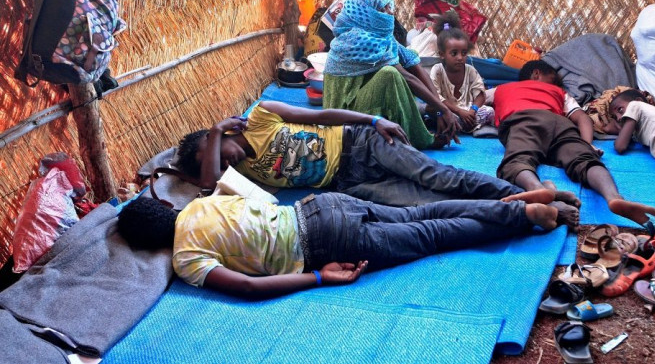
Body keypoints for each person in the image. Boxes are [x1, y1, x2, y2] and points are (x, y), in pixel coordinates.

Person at [117, 192, 578, 299]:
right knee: (423, 212)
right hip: (318, 208)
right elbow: (262, 203)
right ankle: (510, 205)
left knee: (431, 235)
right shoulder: (200, 204)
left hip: (323, 241)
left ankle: (521, 219)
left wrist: (319, 276)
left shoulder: (185, 259)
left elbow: (246, 287)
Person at [175, 100, 580, 210]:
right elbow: (210, 183)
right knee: (430, 203)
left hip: (361, 144)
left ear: (229, 130)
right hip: (351, 183)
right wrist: (213, 136)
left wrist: (373, 121)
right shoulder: (241, 175)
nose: (225, 162)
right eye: (217, 159)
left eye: (220, 151)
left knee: (441, 177)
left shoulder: (261, 115)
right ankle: (525, 205)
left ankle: (541, 196)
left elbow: (320, 113)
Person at [486, 60, 655, 225]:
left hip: (523, 120)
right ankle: (614, 197)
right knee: (584, 159)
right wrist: (586, 144)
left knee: (517, 160)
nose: (556, 85)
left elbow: (476, 98)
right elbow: (582, 118)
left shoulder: (501, 89)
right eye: (554, 80)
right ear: (536, 74)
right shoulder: (560, 93)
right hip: (558, 122)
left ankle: (537, 188)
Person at [321, 0, 461, 149]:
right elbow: (407, 77)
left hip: (359, 98)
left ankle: (413, 124)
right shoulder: (357, 39)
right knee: (389, 74)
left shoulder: (379, 36)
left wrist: (439, 109)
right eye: (383, 9)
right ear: (365, 12)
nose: (390, 13)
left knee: (397, 78)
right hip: (344, 110)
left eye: (389, 8)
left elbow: (413, 65)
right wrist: (444, 110)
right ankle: (421, 139)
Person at [428, 11, 495, 132]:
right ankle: (465, 125)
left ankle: (464, 125)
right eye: (454, 53)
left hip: (468, 111)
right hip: (447, 110)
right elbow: (436, 97)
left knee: (489, 111)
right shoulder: (437, 70)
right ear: (442, 54)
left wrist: (472, 111)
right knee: (438, 112)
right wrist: (459, 111)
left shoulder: (470, 70)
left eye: (464, 53)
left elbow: (480, 93)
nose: (460, 57)